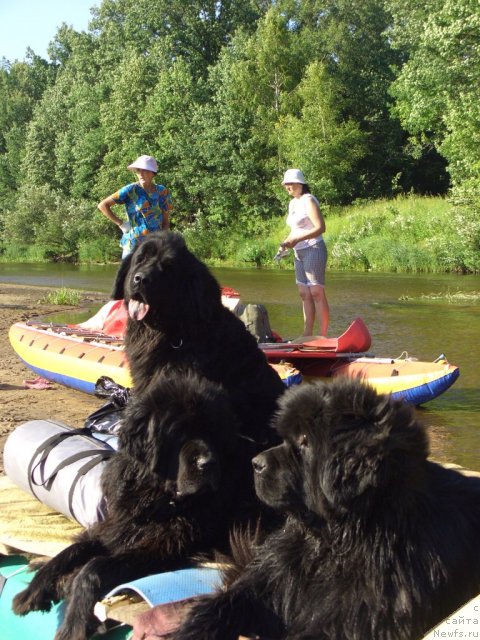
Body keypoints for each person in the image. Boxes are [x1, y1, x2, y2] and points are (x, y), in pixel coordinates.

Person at [280, 168, 330, 337]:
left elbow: (320, 228)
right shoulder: (293, 203)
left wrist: (297, 239)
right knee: (304, 293)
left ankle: (322, 336)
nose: (288, 187)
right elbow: (295, 229)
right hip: (298, 252)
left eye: (291, 184)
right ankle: (307, 335)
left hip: (314, 248)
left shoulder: (308, 200)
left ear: (300, 183)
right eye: (286, 184)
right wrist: (286, 243)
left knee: (316, 292)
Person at [98, 154, 173, 258]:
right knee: (126, 273)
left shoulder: (162, 191)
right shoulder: (130, 190)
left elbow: (165, 220)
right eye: (138, 171)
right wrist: (121, 223)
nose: (141, 174)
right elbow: (103, 205)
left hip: (154, 244)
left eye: (145, 171)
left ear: (153, 173)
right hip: (133, 243)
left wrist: (164, 240)